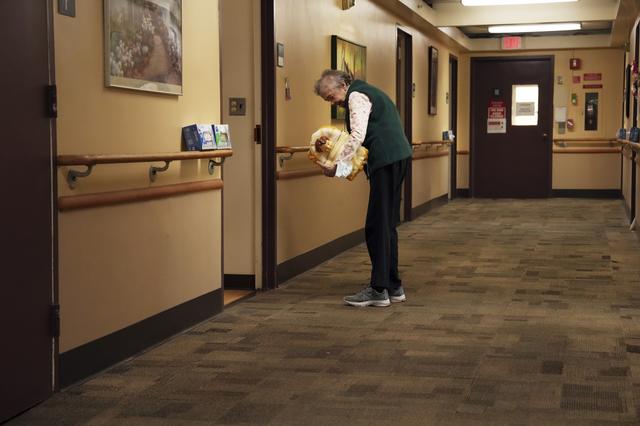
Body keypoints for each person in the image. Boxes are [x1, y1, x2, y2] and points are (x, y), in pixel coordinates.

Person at [313, 69, 413, 307]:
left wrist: (336, 165)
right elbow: (359, 142)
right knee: (386, 225)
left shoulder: (356, 96)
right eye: (327, 99)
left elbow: (357, 136)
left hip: (388, 160)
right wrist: (339, 168)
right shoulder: (367, 93)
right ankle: (393, 285)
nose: (333, 102)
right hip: (396, 158)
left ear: (344, 84)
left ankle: (379, 289)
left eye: (331, 96)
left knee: (376, 226)